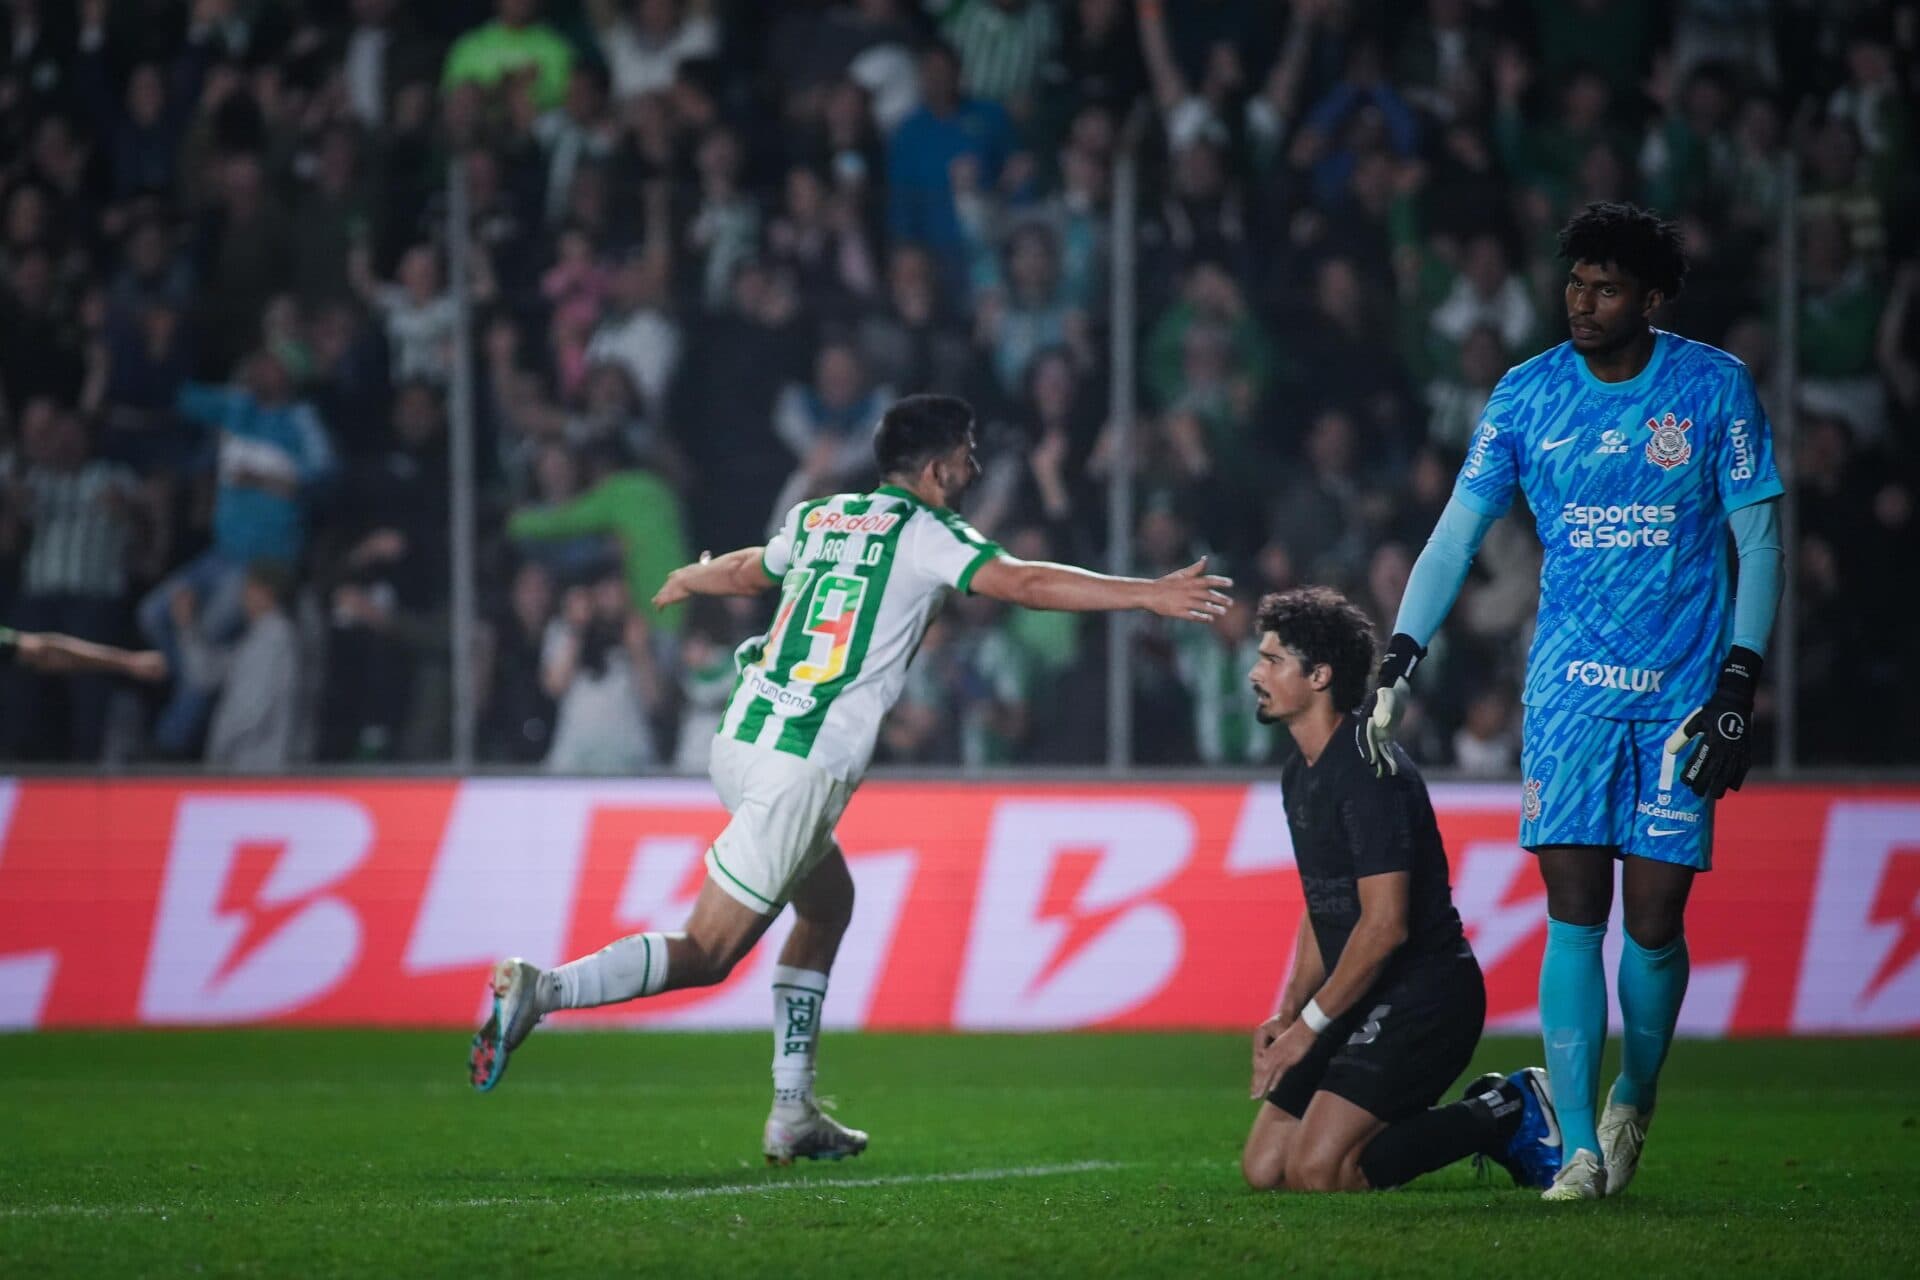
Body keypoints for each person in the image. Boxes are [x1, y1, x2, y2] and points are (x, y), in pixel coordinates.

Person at [469, 394, 1232, 1163]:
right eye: (967, 452)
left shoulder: (822, 516)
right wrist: (1148, 593)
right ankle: (544, 990)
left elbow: (749, 571)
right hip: (802, 765)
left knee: (829, 903)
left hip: (742, 738)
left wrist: (692, 579)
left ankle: (793, 1112)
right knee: (708, 951)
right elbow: (1025, 583)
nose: (975, 466)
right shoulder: (931, 532)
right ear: (938, 469)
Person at [1362, 203, 1784, 1200]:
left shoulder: (1714, 387)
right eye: (1575, 284)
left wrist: (1738, 682)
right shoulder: (1526, 393)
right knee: (1574, 905)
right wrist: (1402, 650)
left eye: (1606, 288)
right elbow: (1456, 534)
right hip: (1567, 691)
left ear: (1652, 298)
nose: (1583, 303)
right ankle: (1579, 1147)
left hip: (1681, 695)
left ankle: (1636, 1091)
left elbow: (1759, 541)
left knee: (1656, 916)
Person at [1241, 586, 1561, 1195]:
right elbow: (1323, 903)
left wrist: (1310, 1028)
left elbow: (1385, 926)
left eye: (1272, 660)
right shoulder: (1299, 771)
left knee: (1319, 1173)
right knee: (1266, 1168)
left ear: (1320, 676)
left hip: (1426, 998)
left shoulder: (1368, 768)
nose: (1256, 674)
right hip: (1360, 995)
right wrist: (1289, 1013)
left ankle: (1505, 1108)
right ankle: (1387, 1118)